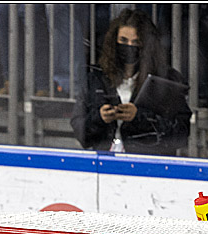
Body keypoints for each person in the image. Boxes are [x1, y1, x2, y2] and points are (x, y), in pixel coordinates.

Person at [71, 8, 191, 156]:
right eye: (123, 40)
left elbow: (181, 133)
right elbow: (79, 129)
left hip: (148, 163)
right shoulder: (97, 77)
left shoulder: (167, 79)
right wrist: (100, 118)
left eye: (136, 42)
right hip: (105, 162)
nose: (129, 46)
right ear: (113, 41)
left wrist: (139, 117)